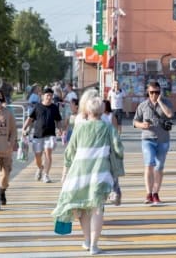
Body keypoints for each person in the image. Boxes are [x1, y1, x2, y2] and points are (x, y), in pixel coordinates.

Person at [52, 96, 124, 255]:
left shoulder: (79, 128)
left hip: (80, 173)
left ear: (87, 111)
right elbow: (119, 149)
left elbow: (69, 152)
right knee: (97, 208)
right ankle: (94, 245)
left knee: (83, 209)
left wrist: (64, 174)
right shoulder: (108, 128)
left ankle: (87, 240)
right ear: (102, 111)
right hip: (101, 172)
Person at [133, 81, 173, 205]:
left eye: (157, 92)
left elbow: (170, 114)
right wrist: (142, 125)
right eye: (151, 92)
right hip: (147, 139)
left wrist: (160, 102)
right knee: (149, 164)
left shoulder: (166, 103)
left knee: (159, 167)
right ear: (147, 93)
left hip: (163, 140)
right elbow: (135, 121)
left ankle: (156, 193)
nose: (154, 95)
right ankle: (148, 193)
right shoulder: (143, 106)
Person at [22, 87, 62, 183]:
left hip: (50, 134)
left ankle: (46, 175)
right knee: (38, 157)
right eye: (47, 95)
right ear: (43, 96)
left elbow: (58, 120)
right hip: (38, 135)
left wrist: (60, 129)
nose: (49, 97)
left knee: (48, 153)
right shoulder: (37, 107)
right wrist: (24, 128)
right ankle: (40, 168)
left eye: (51, 96)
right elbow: (30, 119)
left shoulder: (54, 108)